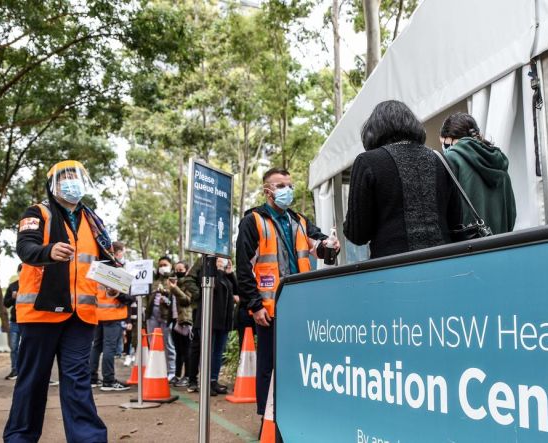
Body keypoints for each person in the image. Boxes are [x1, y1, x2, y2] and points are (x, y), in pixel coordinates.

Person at [4, 160, 116, 442]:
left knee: (78, 382)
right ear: (52, 184)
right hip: (41, 314)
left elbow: (105, 265)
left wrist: (117, 284)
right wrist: (48, 250)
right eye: (65, 176)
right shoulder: (37, 213)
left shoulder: (93, 222)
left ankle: (88, 438)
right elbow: (25, 247)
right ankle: (20, 437)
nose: (71, 181)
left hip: (82, 317)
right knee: (33, 381)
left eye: (76, 176)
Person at [236, 167, 339, 415]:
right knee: (268, 364)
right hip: (270, 308)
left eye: (290, 185)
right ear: (268, 190)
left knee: (297, 362)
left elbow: (320, 248)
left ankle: (292, 413)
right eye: (281, 186)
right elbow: (243, 267)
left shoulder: (299, 221)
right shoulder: (253, 221)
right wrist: (255, 304)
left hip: (299, 307)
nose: (288, 190)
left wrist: (330, 245)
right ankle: (267, 416)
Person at [343, 100, 463, 259]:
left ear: (373, 131)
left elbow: (357, 234)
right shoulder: (440, 159)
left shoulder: (367, 162)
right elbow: (456, 222)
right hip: (443, 263)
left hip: (392, 269)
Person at [439, 112, 516, 234]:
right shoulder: (499, 162)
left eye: (443, 142)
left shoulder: (451, 159)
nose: (443, 147)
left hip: (468, 249)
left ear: (450, 140)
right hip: (502, 247)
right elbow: (511, 218)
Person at [183, 257, 236, 395]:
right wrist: (201, 295)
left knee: (218, 351)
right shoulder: (205, 261)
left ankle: (213, 381)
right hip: (207, 314)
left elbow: (236, 289)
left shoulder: (226, 264)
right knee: (206, 350)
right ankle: (203, 382)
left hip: (224, 318)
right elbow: (188, 279)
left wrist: (230, 272)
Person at [89, 241, 133, 391]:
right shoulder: (115, 270)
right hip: (112, 314)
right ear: (117, 253)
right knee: (109, 348)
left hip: (97, 314)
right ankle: (108, 380)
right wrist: (128, 296)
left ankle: (92, 378)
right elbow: (123, 296)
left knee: (96, 347)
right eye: (122, 252)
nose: (123, 255)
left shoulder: (97, 268)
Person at [146, 256, 178, 381]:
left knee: (168, 343)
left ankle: (171, 371)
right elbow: (146, 296)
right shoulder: (153, 281)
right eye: (160, 265)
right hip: (152, 315)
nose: (162, 267)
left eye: (165, 264)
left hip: (166, 316)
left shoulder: (173, 280)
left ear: (170, 265)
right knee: (152, 343)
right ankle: (155, 370)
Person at [169, 261, 193, 387]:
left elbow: (187, 300)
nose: (178, 272)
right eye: (176, 270)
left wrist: (175, 289)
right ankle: (177, 375)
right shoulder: (174, 283)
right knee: (178, 350)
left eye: (181, 269)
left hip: (186, 321)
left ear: (186, 270)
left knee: (187, 349)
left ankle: (188, 376)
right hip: (175, 321)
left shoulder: (189, 284)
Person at [3, 264, 23, 379]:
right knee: (14, 347)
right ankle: (14, 370)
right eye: (21, 271)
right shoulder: (13, 286)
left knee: (27, 347)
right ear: (18, 272)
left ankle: (25, 371)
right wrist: (13, 298)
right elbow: (6, 303)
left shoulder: (33, 284)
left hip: (28, 321)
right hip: (15, 321)